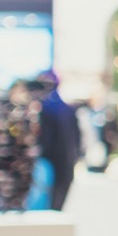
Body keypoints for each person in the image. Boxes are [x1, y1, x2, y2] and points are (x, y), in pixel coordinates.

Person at [34, 70, 81, 211]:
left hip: (51, 163)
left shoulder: (46, 108)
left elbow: (45, 141)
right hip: (66, 162)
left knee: (47, 205)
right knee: (55, 205)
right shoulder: (66, 108)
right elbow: (77, 138)